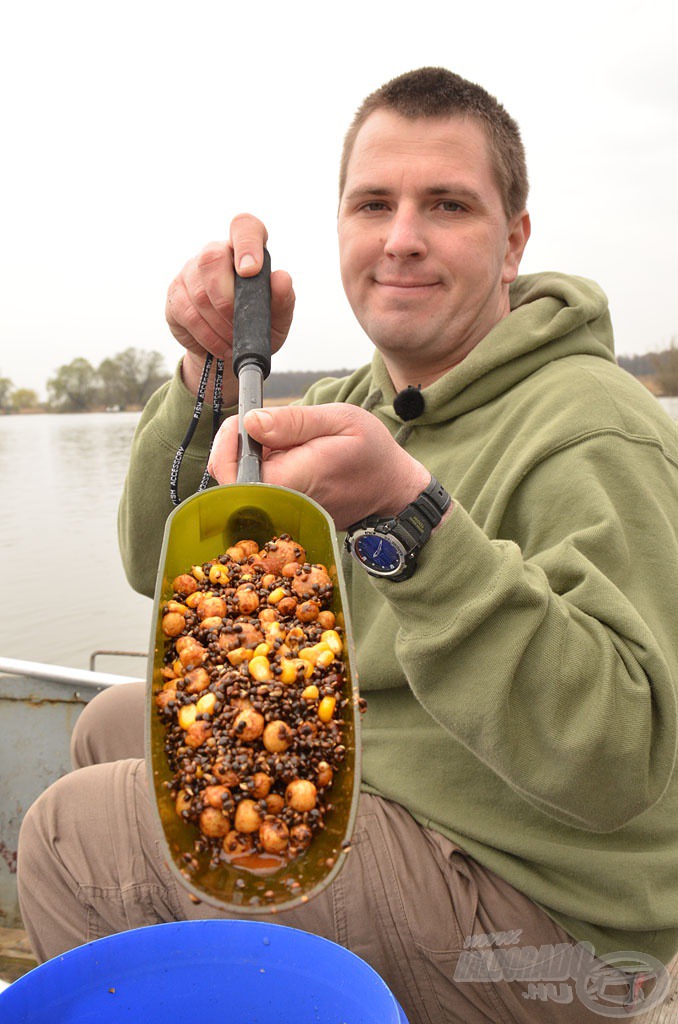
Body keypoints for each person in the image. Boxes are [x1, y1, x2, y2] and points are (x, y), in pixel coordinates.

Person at [17, 67, 678, 1023]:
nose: (402, 237)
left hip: (556, 930)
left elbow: (624, 761)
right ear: (341, 231)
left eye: (446, 204)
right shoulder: (366, 407)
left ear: (513, 240)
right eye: (374, 204)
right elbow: (158, 567)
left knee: (72, 834)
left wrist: (413, 522)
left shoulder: (592, 430)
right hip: (404, 792)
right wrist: (209, 380)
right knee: (116, 726)